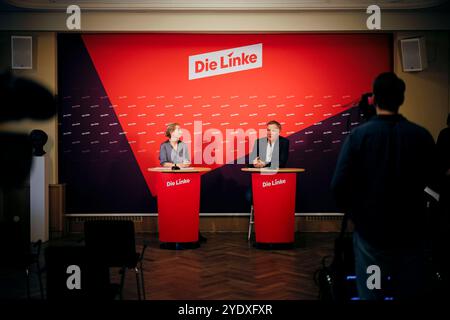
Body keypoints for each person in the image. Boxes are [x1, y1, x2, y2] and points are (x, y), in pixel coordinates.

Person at [331, 72, 436, 300]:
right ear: (402, 99)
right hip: (412, 233)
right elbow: (434, 181)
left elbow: (339, 185)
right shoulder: (421, 136)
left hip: (372, 235)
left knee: (373, 293)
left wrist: (356, 215)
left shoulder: (359, 136)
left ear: (374, 99)